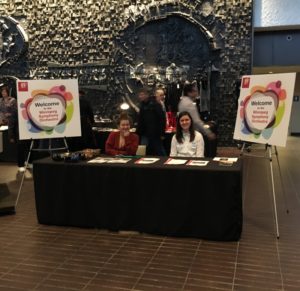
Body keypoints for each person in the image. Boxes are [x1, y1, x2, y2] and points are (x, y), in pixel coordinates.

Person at [136, 87, 166, 156]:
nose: (140, 96)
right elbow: (141, 120)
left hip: (155, 133)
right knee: (142, 151)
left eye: (142, 94)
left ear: (147, 95)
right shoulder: (143, 105)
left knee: (159, 151)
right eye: (140, 94)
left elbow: (162, 119)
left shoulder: (156, 104)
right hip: (145, 133)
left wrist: (162, 133)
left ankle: (165, 164)